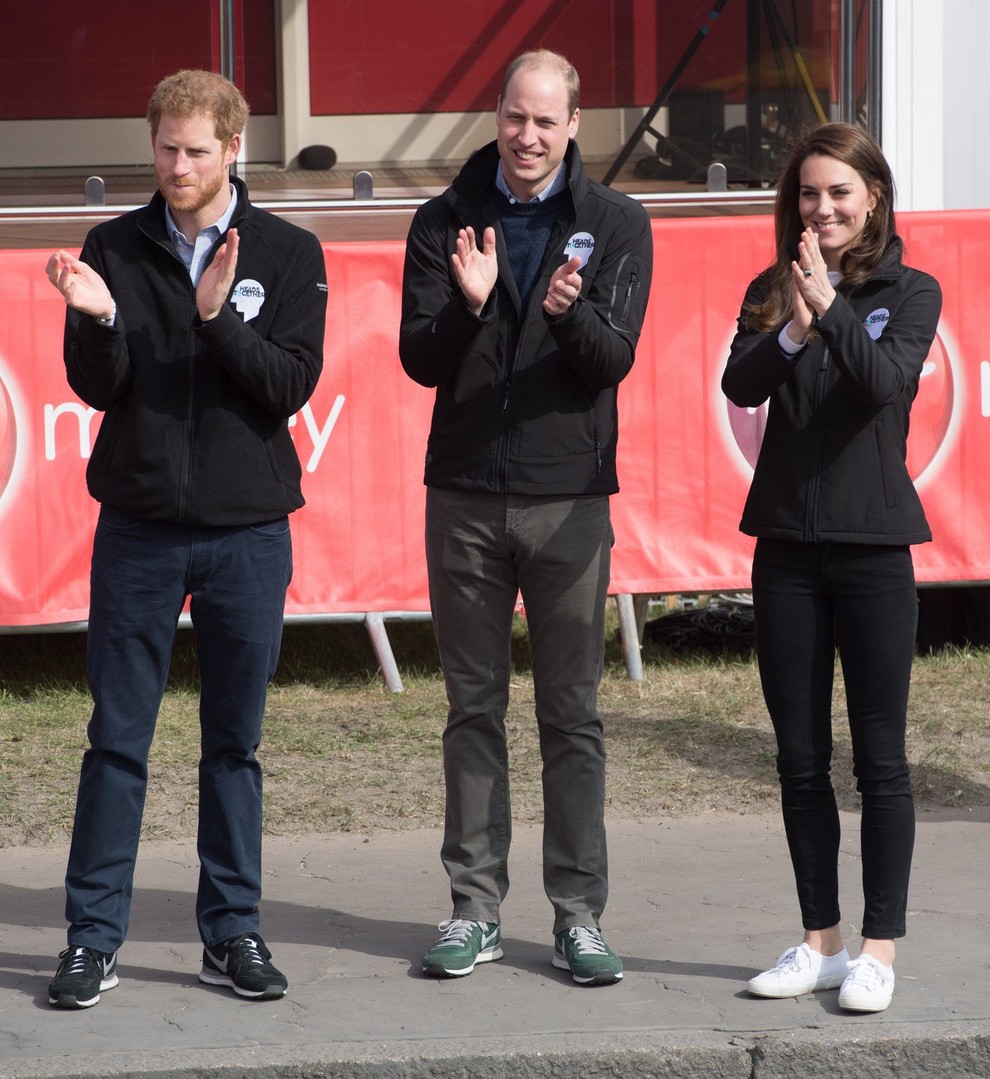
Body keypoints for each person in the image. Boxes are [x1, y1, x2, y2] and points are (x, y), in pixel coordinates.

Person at [44, 69, 327, 1008]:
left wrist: (214, 320)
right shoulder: (113, 244)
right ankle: (92, 939)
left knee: (232, 745)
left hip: (247, 532)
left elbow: (288, 385)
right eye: (165, 148)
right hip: (139, 528)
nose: (177, 166)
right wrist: (97, 320)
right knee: (116, 739)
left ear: (234, 148)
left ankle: (232, 932)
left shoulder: (285, 252)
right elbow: (100, 386)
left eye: (196, 151)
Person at [399, 49, 652, 986]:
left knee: (571, 714)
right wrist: (468, 308)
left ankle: (579, 914)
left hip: (569, 503)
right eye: (515, 116)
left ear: (575, 123)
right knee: (473, 709)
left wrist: (572, 315)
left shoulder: (617, 225)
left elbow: (612, 358)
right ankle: (474, 908)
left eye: (547, 121)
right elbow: (419, 359)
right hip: (463, 494)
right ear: (496, 116)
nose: (528, 136)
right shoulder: (443, 220)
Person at [722, 122, 941, 1013]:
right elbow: (742, 384)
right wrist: (795, 326)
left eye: (840, 193)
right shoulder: (772, 290)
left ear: (873, 199)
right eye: (810, 194)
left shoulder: (911, 289)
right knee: (799, 756)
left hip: (875, 550)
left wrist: (836, 313)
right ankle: (819, 941)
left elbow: (886, 384)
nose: (824, 209)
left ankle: (878, 948)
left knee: (879, 759)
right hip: (785, 550)